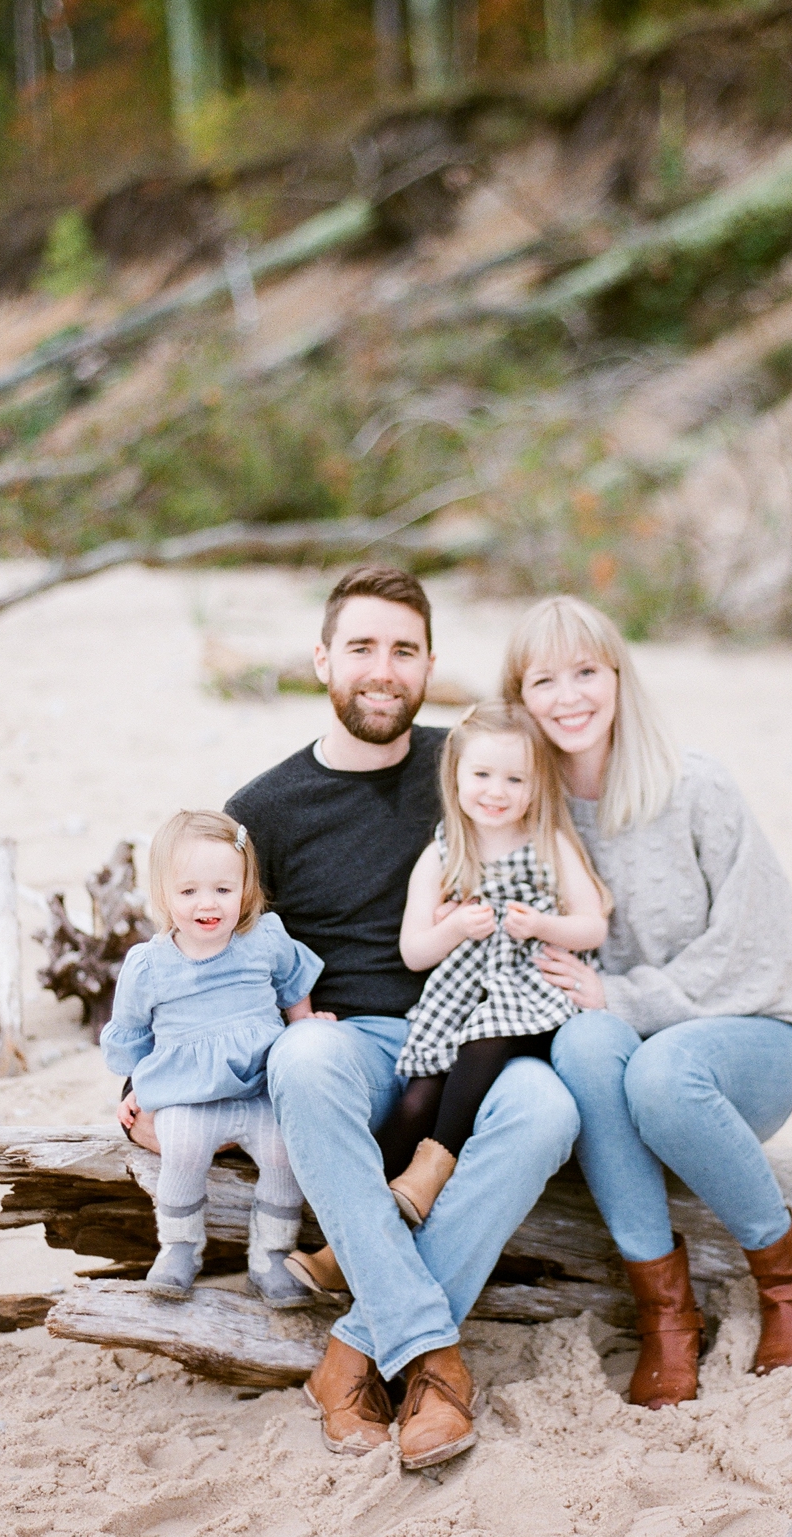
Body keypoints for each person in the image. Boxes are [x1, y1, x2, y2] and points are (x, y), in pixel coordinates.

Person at [221, 566, 579, 1472]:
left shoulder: (465, 766)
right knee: (302, 1058)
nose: (383, 669)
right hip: (349, 1043)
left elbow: (555, 832)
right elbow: (210, 954)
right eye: (363, 647)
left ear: (427, 666)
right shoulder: (263, 810)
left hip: (477, 1040)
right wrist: (141, 1076)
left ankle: (351, 1352)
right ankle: (431, 1356)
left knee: (548, 1111)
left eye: (404, 651)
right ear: (322, 658)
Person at [500, 594, 792, 1413]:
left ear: (618, 676)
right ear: (520, 697)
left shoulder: (694, 786)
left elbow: (754, 949)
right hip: (620, 1070)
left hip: (748, 1043)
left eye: (585, 671)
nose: (568, 695)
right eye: (544, 679)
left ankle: (790, 1281)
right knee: (584, 1046)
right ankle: (666, 1315)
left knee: (653, 1065)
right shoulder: (524, 816)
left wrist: (621, 993)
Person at [286, 700, 608, 1278]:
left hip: (530, 995)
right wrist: (454, 926)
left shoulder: (549, 844)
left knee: (483, 1040)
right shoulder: (442, 854)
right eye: (482, 775)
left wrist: (541, 926)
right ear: (455, 776)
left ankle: (430, 1172)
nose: (496, 791)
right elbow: (414, 951)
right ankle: (353, 1238)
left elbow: (593, 924)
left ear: (537, 786)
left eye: (515, 778)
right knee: (416, 1096)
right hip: (457, 1001)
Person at [101, 809, 324, 1306]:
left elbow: (291, 983)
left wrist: (306, 1024)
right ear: (163, 894)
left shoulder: (263, 937)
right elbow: (135, 1034)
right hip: (189, 1099)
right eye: (189, 892)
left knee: (285, 1156)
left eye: (224, 890)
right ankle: (179, 1248)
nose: (208, 904)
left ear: (245, 888)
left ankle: (271, 1257)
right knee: (181, 1152)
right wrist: (135, 1091)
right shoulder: (150, 965)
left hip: (259, 1088)